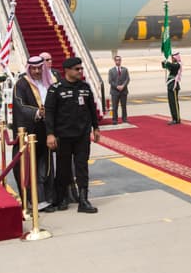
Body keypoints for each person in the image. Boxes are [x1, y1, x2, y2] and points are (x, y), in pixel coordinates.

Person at [44, 56, 101, 213]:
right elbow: (49, 113)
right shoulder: (56, 89)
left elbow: (91, 109)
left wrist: (96, 128)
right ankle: (61, 199)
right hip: (63, 136)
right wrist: (50, 134)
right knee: (63, 169)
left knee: (82, 167)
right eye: (77, 69)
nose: (80, 71)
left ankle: (83, 200)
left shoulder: (85, 87)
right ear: (67, 70)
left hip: (82, 135)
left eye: (81, 68)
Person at [12, 55, 53, 212]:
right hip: (30, 132)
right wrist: (38, 112)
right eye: (33, 69)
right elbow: (20, 106)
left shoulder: (49, 82)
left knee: (47, 166)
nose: (36, 71)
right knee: (31, 168)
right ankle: (36, 201)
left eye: (39, 68)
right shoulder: (21, 85)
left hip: (47, 131)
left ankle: (49, 198)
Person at [107, 54, 130, 124]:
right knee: (115, 107)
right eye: (117, 60)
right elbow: (110, 81)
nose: (118, 61)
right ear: (114, 61)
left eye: (119, 60)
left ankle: (124, 119)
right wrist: (117, 86)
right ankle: (114, 120)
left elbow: (127, 79)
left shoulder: (125, 70)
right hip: (114, 92)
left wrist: (123, 86)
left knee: (124, 106)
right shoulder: (111, 70)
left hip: (124, 91)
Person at [162, 52, 182, 125]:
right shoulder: (173, 65)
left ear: (176, 58)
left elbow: (171, 66)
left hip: (174, 85)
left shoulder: (178, 65)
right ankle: (174, 118)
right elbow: (165, 66)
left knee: (174, 103)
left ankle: (177, 119)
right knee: (171, 103)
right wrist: (164, 62)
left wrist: (167, 62)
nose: (172, 59)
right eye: (172, 58)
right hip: (170, 85)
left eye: (173, 58)